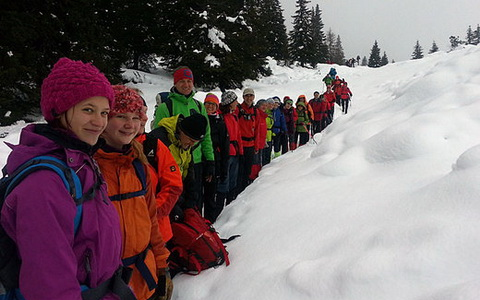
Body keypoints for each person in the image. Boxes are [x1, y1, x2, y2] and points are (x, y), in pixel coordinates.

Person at [1, 57, 135, 299]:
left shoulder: (79, 162)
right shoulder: (45, 182)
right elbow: (49, 285)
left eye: (104, 112)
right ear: (59, 111)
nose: (99, 121)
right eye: (88, 110)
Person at [95, 85, 171, 300]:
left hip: (143, 276)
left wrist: (161, 264)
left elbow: (151, 220)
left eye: (135, 117)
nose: (130, 125)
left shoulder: (139, 165)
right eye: (121, 116)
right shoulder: (89, 168)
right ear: (106, 119)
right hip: (105, 284)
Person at [151, 66, 215, 214]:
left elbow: (206, 136)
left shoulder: (198, 106)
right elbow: (157, 139)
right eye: (182, 81)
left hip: (196, 162)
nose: (186, 85)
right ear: (175, 83)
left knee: (193, 202)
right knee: (173, 204)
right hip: (172, 165)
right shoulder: (166, 107)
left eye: (189, 81)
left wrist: (210, 160)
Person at [153, 114, 208, 217]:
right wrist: (173, 206)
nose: (192, 144)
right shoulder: (159, 140)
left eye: (195, 142)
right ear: (181, 131)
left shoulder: (185, 144)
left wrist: (190, 201)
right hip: (161, 201)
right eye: (190, 140)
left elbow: (188, 171)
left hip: (177, 195)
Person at [202, 93, 229, 223]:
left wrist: (223, 168)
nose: (210, 106)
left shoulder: (220, 122)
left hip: (214, 162)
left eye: (213, 104)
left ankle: (209, 222)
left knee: (210, 195)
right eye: (208, 103)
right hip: (199, 161)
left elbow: (224, 146)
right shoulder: (200, 119)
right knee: (197, 196)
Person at [218, 91, 242, 207]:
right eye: (235, 101)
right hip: (225, 153)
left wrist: (240, 151)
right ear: (230, 103)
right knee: (224, 182)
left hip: (234, 152)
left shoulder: (234, 116)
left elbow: (238, 135)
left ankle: (229, 207)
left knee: (232, 182)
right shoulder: (221, 117)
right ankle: (220, 209)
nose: (237, 103)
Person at [236, 87, 259, 195]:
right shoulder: (238, 109)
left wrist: (256, 146)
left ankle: (244, 192)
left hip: (251, 144)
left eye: (251, 95)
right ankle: (237, 192)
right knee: (239, 171)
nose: (249, 98)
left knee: (247, 170)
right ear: (243, 97)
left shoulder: (255, 111)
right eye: (247, 95)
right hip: (240, 145)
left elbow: (258, 129)